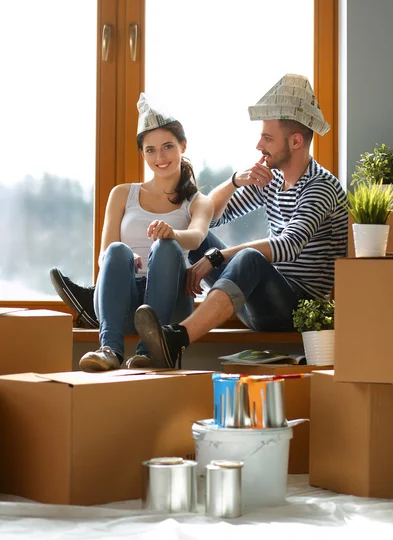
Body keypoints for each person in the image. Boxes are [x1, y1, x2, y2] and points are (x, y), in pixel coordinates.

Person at [132, 74, 348, 368]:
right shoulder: (271, 180)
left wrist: (218, 257)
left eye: (268, 138)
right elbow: (211, 216)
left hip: (295, 310)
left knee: (247, 257)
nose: (259, 144)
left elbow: (288, 246)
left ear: (296, 141)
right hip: (257, 301)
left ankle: (175, 338)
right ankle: (135, 299)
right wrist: (235, 181)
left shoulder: (320, 187)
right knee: (196, 237)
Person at [69, 93, 213, 372]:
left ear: (183, 146)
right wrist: (126, 260)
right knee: (117, 250)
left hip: (171, 305)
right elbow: (104, 255)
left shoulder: (198, 201)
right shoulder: (122, 194)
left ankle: (150, 349)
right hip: (123, 302)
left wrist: (171, 233)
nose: (160, 157)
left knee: (167, 247)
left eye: (168, 146)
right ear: (143, 152)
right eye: (150, 150)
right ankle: (109, 348)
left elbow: (196, 237)